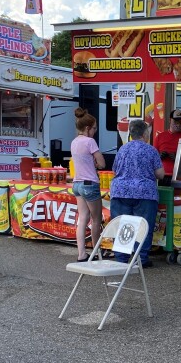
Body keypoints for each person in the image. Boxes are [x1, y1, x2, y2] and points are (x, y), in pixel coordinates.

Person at [110, 119, 165, 268]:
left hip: (120, 191)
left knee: (123, 225)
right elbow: (160, 174)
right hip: (144, 193)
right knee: (143, 226)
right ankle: (141, 258)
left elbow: (115, 170)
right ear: (145, 133)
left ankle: (121, 258)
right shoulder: (151, 150)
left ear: (131, 133)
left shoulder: (122, 149)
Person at [71, 108, 105, 262]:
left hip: (77, 184)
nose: (95, 131)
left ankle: (81, 254)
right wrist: (96, 164)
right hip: (90, 183)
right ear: (87, 128)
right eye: (94, 128)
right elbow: (102, 163)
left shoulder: (74, 142)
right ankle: (96, 253)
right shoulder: (90, 142)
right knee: (96, 219)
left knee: (82, 218)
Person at [154, 108, 181, 186]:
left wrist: (178, 159)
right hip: (163, 176)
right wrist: (159, 157)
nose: (178, 124)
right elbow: (152, 158)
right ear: (170, 120)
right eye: (176, 121)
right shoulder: (160, 136)